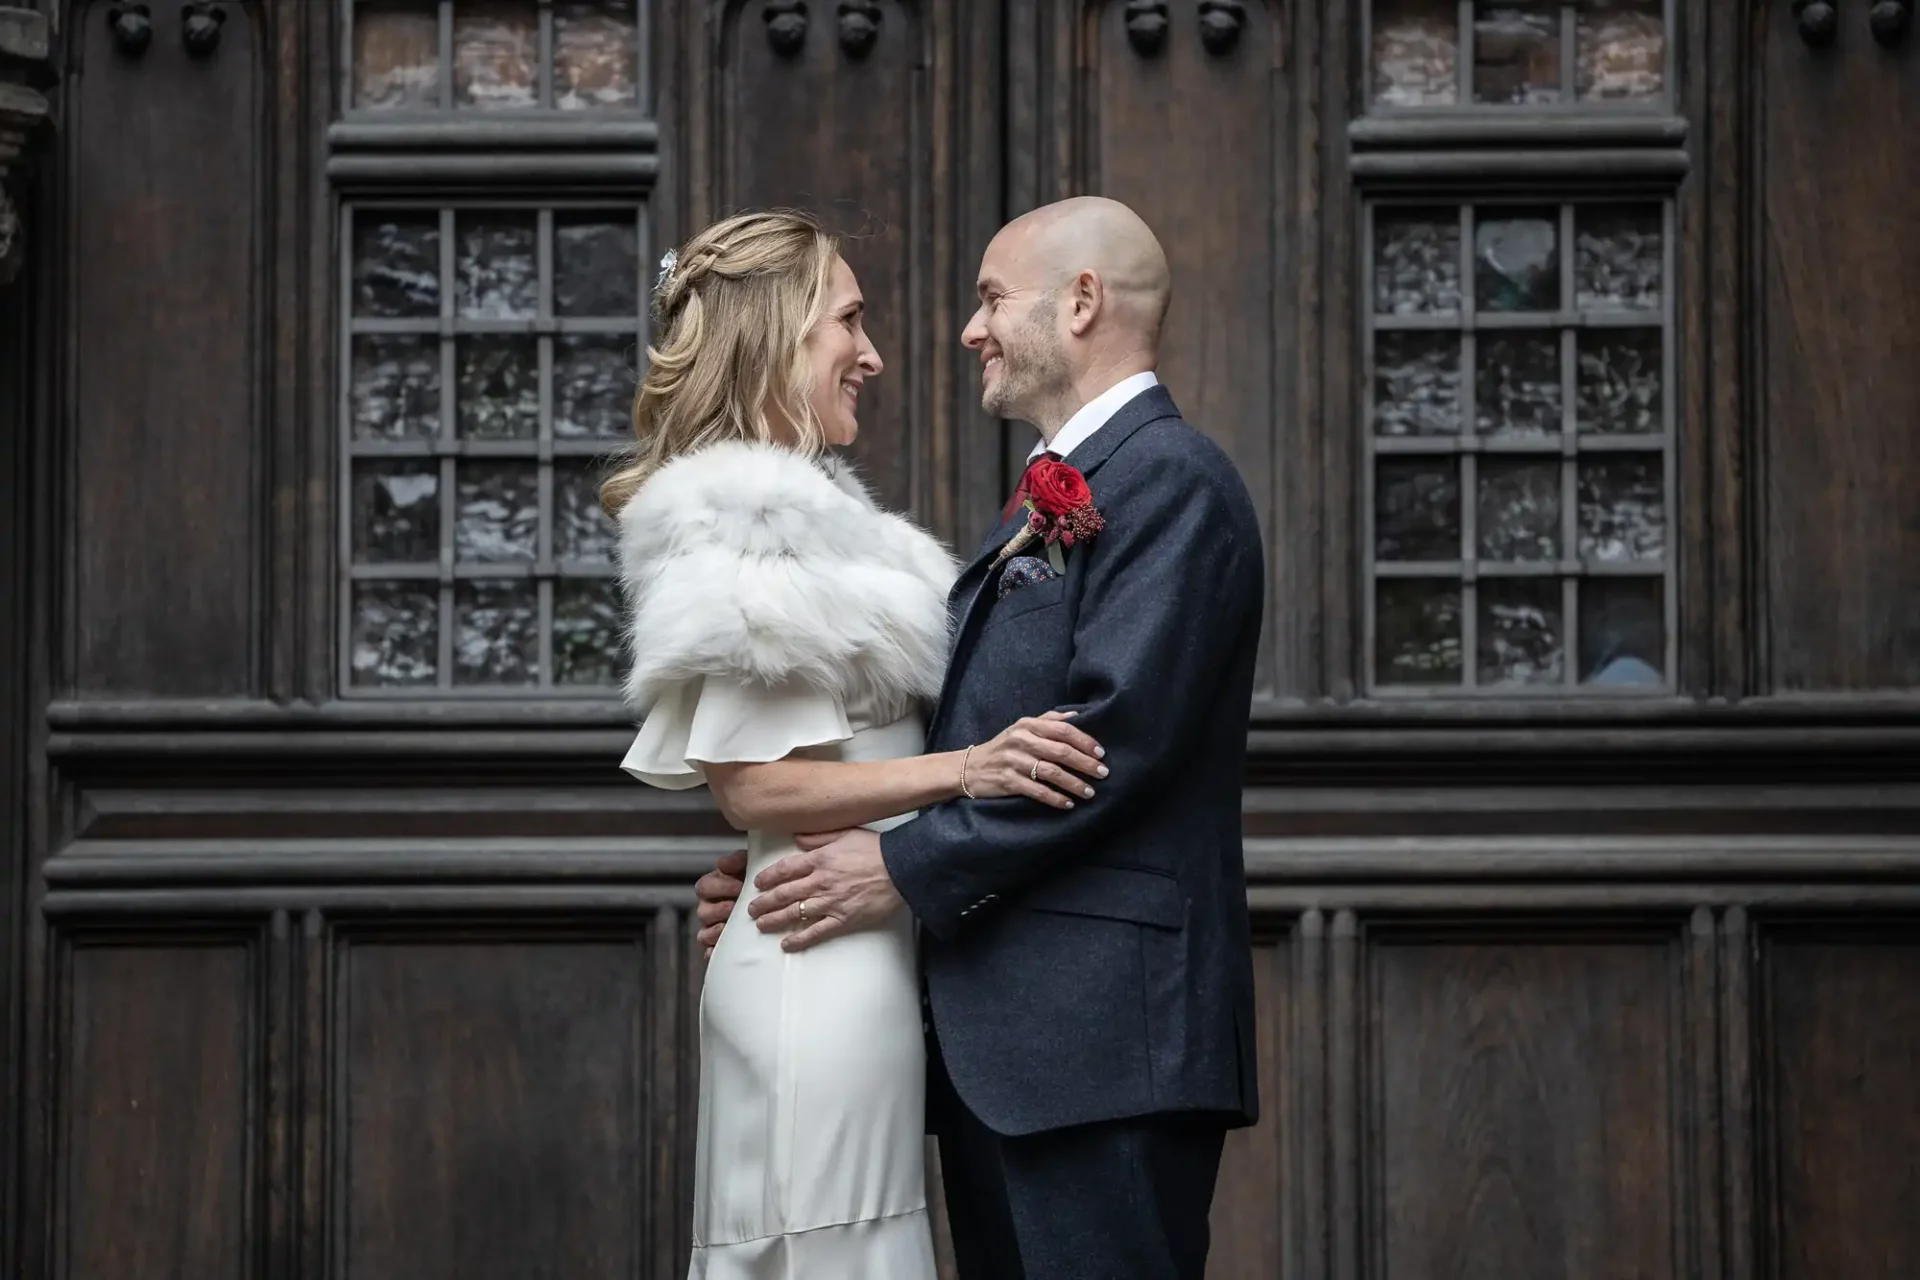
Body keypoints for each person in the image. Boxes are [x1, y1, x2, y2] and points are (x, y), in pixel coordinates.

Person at [695, 197, 1265, 1279]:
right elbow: (965, 733)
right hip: (1006, 1051)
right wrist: (789, 859)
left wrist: (895, 869)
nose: (971, 330)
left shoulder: (1175, 481)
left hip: (1104, 1050)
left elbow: (1108, 742)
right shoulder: (1047, 501)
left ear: (1083, 302)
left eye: (993, 298)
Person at [604, 209, 1109, 1280]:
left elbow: (811, 780)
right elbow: (754, 783)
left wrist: (783, 857)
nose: (872, 353)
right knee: (820, 1245)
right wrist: (971, 767)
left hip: (857, 953)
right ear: (779, 335)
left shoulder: (834, 529)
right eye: (849, 320)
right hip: (811, 975)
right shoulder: (739, 520)